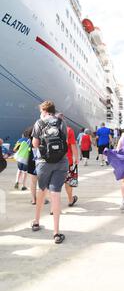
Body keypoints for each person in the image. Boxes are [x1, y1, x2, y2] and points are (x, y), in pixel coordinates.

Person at [31, 100, 68, 244]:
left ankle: (36, 221)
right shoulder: (61, 122)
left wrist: (39, 158)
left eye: (41, 111)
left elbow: (35, 144)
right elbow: (64, 140)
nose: (40, 114)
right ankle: (56, 232)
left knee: (42, 190)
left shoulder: (39, 123)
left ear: (45, 111)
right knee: (56, 194)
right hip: (61, 162)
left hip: (44, 163)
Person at [64, 123, 79, 207]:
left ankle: (53, 207)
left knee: (54, 183)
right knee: (68, 181)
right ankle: (70, 200)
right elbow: (73, 145)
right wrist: (76, 158)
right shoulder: (68, 130)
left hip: (53, 161)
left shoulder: (49, 128)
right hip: (67, 161)